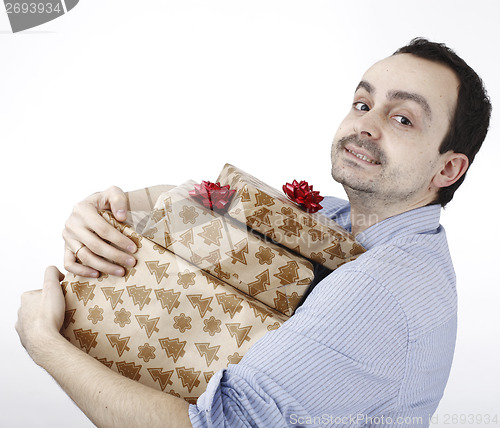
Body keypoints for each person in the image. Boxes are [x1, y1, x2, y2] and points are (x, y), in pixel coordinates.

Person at [16, 38, 491, 427]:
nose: (365, 125)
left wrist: (44, 342)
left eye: (402, 118)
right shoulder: (341, 221)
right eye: (362, 103)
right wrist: (112, 206)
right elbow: (216, 201)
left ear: (447, 168)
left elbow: (218, 424)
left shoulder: (382, 287)